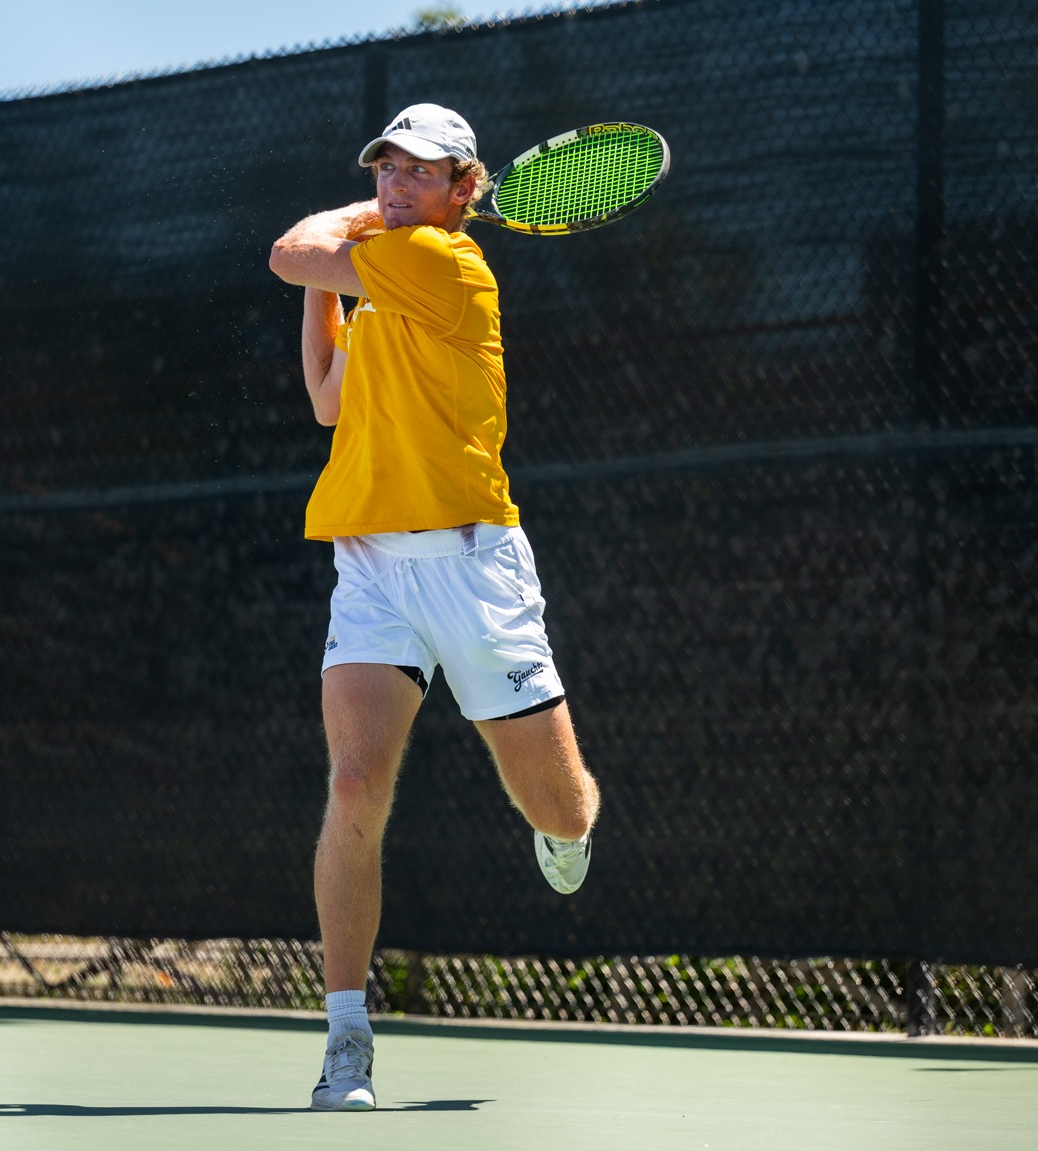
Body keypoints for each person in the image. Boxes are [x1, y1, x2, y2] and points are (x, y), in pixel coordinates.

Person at [268, 103, 601, 1113]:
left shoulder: (446, 265)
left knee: (559, 807)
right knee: (353, 782)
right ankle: (347, 1036)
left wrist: (346, 230)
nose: (395, 183)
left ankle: (568, 828)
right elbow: (327, 398)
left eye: (420, 171)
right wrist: (337, 277)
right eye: (386, 168)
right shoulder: (381, 282)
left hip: (472, 565)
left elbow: (290, 250)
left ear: (466, 189)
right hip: (373, 567)